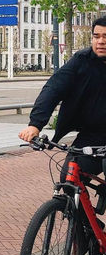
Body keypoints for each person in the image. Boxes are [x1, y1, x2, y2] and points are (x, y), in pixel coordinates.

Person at [18, 16, 106, 179]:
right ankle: (73, 205)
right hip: (92, 135)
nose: (100, 41)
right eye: (96, 36)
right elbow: (53, 88)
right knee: (70, 177)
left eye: (105, 37)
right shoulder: (81, 60)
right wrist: (35, 124)